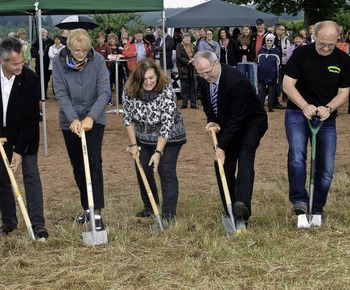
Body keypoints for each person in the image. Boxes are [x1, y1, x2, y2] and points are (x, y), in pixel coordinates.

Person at [0, 37, 48, 239]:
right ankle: (8, 222)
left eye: (22, 61)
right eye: (15, 63)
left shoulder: (31, 79)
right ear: (1, 60)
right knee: (1, 179)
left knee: (31, 177)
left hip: (26, 134)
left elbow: (31, 118)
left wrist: (19, 151)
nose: (20, 66)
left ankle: (38, 223)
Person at [282, 21, 350, 220]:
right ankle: (299, 200)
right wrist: (304, 105)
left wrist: (329, 108)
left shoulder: (343, 60)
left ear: (338, 39)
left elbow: (344, 93)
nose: (325, 48)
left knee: (327, 166)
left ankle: (317, 207)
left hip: (326, 118)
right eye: (321, 43)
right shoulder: (300, 54)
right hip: (298, 113)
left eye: (330, 45)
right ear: (314, 35)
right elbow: (288, 85)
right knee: (297, 155)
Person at [193, 50, 268, 228]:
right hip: (228, 123)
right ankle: (230, 205)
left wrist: (221, 146)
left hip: (250, 123)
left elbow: (237, 118)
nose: (205, 76)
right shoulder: (204, 79)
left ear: (216, 64)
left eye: (208, 72)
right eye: (200, 73)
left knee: (244, 157)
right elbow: (207, 102)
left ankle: (242, 207)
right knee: (222, 165)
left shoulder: (236, 81)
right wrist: (211, 120)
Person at [52, 29, 111, 230]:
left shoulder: (98, 61)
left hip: (94, 119)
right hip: (69, 121)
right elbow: (60, 93)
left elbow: (105, 92)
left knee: (93, 162)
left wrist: (90, 117)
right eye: (77, 50)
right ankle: (87, 207)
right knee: (78, 165)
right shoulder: (58, 63)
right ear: (69, 48)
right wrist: (73, 119)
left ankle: (97, 213)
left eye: (84, 50)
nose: (81, 54)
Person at [123, 59, 186, 222]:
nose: (149, 82)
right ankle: (150, 206)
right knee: (143, 167)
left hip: (170, 136)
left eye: (152, 78)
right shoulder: (129, 90)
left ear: (157, 76)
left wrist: (158, 152)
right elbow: (128, 119)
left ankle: (168, 215)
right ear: (137, 79)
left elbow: (167, 123)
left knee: (166, 170)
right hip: (144, 137)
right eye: (144, 79)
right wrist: (133, 145)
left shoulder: (166, 90)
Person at [257, 33, 283, 112]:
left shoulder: (277, 51)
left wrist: (276, 75)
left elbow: (279, 63)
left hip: (272, 74)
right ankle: (260, 107)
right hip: (262, 74)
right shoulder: (261, 50)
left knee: (272, 91)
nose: (269, 42)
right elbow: (258, 62)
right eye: (267, 40)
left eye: (271, 40)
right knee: (261, 91)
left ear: (273, 41)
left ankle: (270, 106)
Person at [176, 33, 197, 109]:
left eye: (189, 38)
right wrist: (188, 61)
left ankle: (193, 103)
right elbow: (178, 57)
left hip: (192, 68)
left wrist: (193, 60)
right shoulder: (179, 46)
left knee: (193, 87)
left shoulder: (193, 46)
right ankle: (184, 103)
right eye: (186, 38)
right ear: (183, 39)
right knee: (184, 87)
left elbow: (196, 55)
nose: (188, 40)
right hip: (183, 68)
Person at [31, 28, 54, 95]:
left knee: (46, 79)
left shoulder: (51, 41)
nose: (42, 33)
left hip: (47, 63)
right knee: (39, 78)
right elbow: (33, 50)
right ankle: (40, 94)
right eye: (41, 32)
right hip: (39, 63)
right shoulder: (37, 41)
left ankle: (45, 93)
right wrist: (37, 52)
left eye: (44, 32)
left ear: (46, 33)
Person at [237, 25, 256, 89]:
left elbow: (252, 49)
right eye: (244, 30)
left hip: (250, 61)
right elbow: (238, 50)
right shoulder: (239, 39)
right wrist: (246, 51)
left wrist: (245, 51)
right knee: (242, 78)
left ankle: (252, 94)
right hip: (241, 61)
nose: (245, 31)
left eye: (247, 30)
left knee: (251, 78)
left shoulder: (253, 38)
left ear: (250, 30)